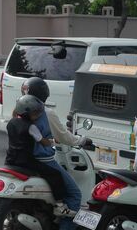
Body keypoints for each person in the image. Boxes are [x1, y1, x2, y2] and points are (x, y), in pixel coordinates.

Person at [22, 77, 87, 229]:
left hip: (22, 159)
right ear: (44, 93)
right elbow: (64, 137)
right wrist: (81, 140)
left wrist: (50, 140)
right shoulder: (46, 112)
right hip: (42, 161)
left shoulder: (20, 110)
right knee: (74, 195)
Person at [5, 95, 71, 218]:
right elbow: (43, 142)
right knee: (55, 175)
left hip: (10, 160)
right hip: (26, 161)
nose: (39, 114)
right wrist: (53, 141)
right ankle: (60, 206)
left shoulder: (11, 123)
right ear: (28, 113)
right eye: (36, 112)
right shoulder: (31, 127)